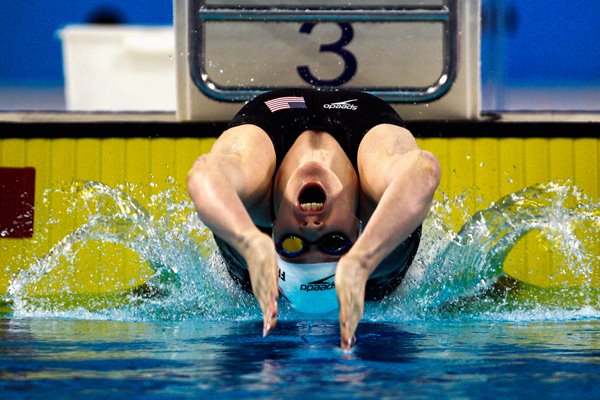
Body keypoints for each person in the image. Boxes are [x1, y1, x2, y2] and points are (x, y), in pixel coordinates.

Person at [187, 88, 440, 350]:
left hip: (245, 258)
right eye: (333, 242)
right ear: (357, 229)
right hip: (385, 270)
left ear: (273, 231)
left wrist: (249, 241)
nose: (311, 228)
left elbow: (202, 173)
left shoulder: (257, 199)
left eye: (292, 244)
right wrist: (363, 258)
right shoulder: (370, 195)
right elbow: (425, 170)